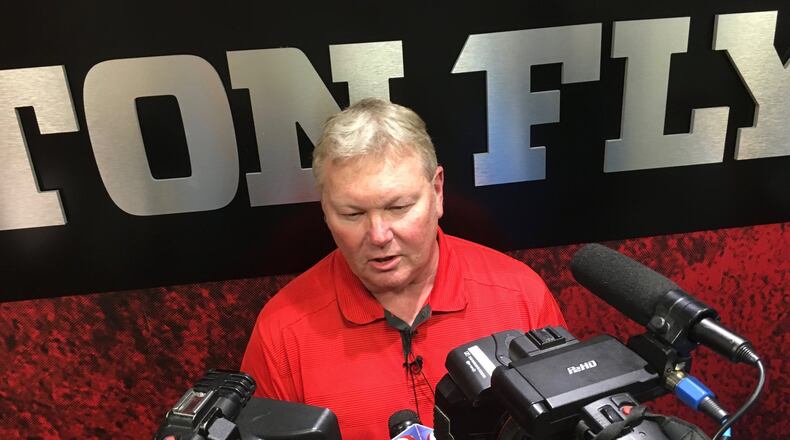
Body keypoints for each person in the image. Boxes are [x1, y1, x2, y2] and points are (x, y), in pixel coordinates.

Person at [241, 98, 566, 439]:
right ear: (325, 210)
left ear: (437, 192)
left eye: (398, 207)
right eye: (352, 214)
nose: (379, 236)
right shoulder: (280, 334)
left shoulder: (522, 297)